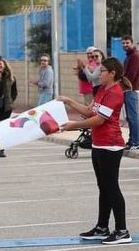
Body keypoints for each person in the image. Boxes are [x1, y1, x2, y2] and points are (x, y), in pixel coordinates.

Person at [58, 57, 133, 245]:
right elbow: (89, 111)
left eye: (102, 72)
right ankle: (102, 227)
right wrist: (68, 101)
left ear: (112, 73)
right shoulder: (101, 90)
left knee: (112, 187)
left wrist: (73, 126)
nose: (99, 74)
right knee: (103, 187)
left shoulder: (115, 92)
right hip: (99, 144)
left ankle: (122, 231)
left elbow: (99, 120)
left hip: (111, 145)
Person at [121, 35, 139, 150]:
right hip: (128, 90)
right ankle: (132, 140)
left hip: (131, 90)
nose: (125, 45)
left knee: (133, 117)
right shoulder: (129, 56)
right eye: (123, 43)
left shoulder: (135, 56)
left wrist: (122, 86)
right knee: (130, 117)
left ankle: (135, 142)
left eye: (127, 43)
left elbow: (130, 76)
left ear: (132, 43)